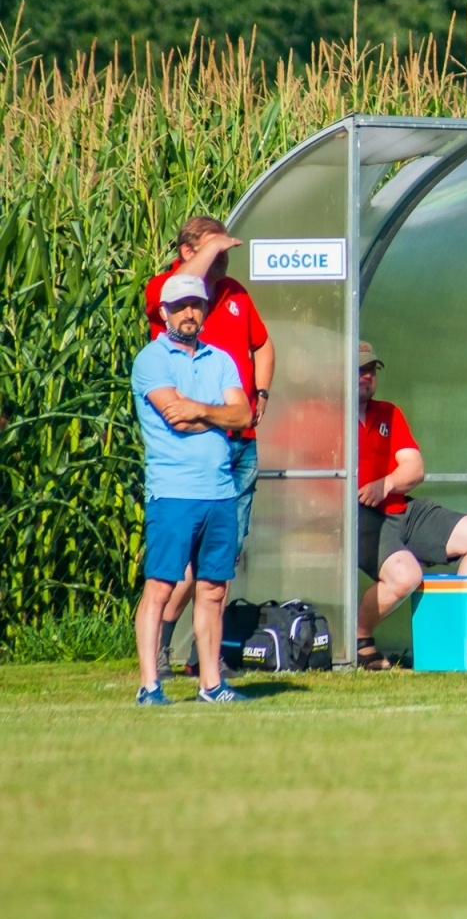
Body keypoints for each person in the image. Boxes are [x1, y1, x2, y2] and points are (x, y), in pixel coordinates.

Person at [143, 216, 274, 679]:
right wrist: (209, 417)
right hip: (190, 460)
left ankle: (208, 659)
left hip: (241, 446)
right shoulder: (167, 290)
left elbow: (262, 345)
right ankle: (158, 645)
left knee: (220, 560)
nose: (225, 257)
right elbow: (178, 412)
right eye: (216, 249)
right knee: (179, 566)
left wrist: (259, 395)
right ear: (187, 251)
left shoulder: (236, 292)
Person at [131, 274, 254, 704]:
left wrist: (200, 409)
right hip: (173, 492)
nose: (189, 313)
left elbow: (243, 417)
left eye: (196, 305)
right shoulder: (152, 360)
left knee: (214, 589)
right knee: (161, 587)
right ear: (164, 312)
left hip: (220, 491)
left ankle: (211, 684)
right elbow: (175, 418)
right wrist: (217, 412)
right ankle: (149, 686)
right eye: (180, 306)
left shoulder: (220, 359)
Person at [356, 341, 467, 669]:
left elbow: (414, 468)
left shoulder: (389, 412)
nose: (366, 376)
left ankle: (463, 644)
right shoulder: (326, 415)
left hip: (399, 508)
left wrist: (385, 484)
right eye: (359, 370)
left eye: (372, 370)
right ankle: (357, 637)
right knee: (406, 577)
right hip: (357, 517)